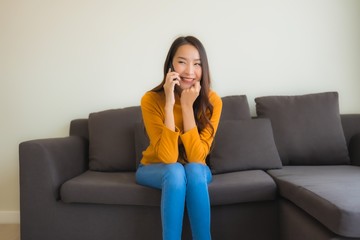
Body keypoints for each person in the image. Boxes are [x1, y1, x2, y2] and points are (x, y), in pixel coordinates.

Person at [136, 36, 223, 240]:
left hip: (196, 168)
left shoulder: (213, 101)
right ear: (170, 66)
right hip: (154, 168)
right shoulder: (150, 100)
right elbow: (168, 157)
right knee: (175, 170)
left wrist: (186, 107)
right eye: (182, 62)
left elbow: (196, 157)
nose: (190, 71)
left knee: (192, 169)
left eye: (197, 64)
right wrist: (169, 102)